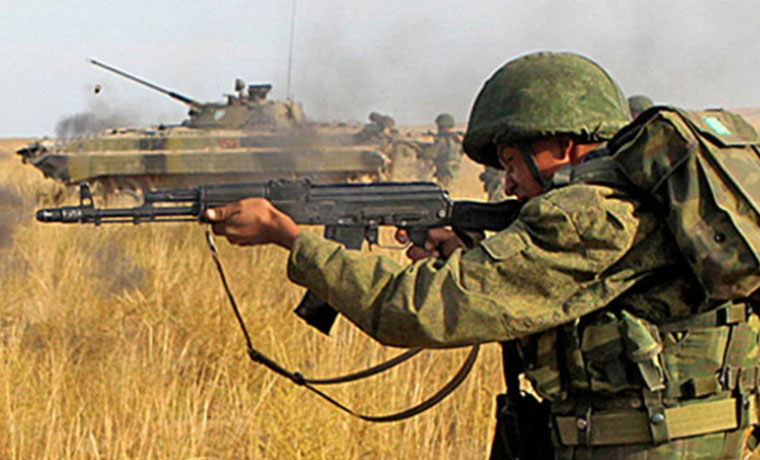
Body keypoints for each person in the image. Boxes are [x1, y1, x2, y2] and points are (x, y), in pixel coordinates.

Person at [205, 51, 760, 459]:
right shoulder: (640, 201)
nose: (508, 182)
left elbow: (417, 310)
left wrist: (290, 237)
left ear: (562, 146)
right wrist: (476, 251)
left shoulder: (586, 214)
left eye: (511, 161)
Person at [418, 113, 463, 188]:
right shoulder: (457, 140)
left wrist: (420, 150)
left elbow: (429, 154)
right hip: (454, 172)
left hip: (445, 172)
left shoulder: (443, 140)